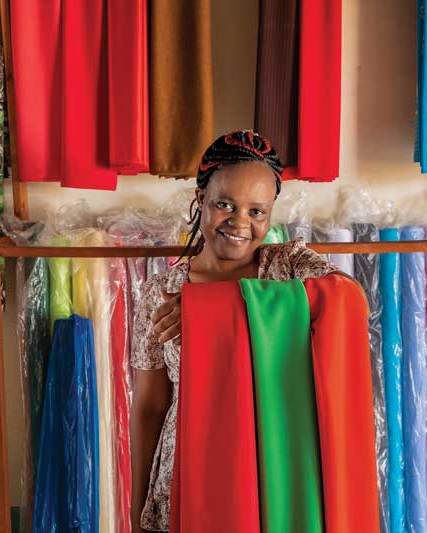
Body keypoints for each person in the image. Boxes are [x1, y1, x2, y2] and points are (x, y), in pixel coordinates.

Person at [129, 130, 339, 532]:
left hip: (273, 473)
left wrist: (212, 311)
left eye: (256, 211)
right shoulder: (161, 293)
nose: (239, 222)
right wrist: (137, 511)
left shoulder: (291, 267)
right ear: (200, 201)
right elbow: (150, 409)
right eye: (224, 204)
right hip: (189, 475)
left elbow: (347, 301)